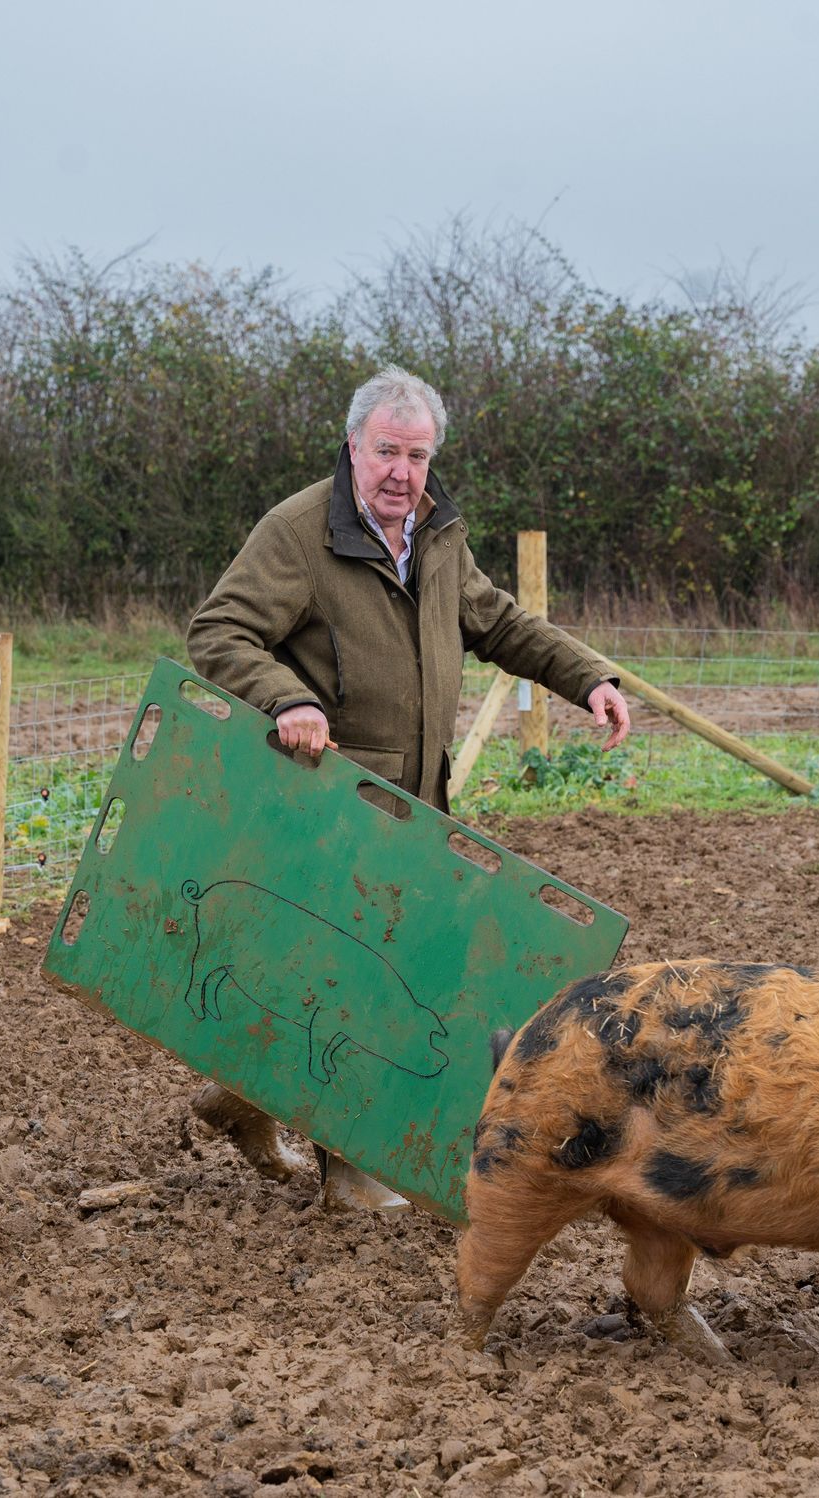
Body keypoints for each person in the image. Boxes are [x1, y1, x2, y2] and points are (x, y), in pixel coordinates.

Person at [185, 365, 631, 1212]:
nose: (401, 471)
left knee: (352, 970)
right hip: (332, 803)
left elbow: (497, 622)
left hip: (417, 808)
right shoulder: (298, 533)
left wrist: (588, 679)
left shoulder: (436, 534)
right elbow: (219, 632)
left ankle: (236, 1098)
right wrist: (289, 698)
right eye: (387, 451)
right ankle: (352, 1168)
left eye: (418, 455)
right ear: (355, 446)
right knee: (359, 981)